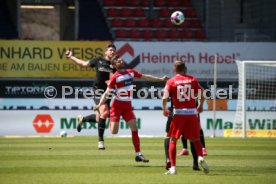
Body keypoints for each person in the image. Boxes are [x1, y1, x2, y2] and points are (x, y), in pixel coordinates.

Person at [94, 55, 168, 162]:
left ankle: (138, 154)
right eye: (117, 60)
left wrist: (160, 79)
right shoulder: (115, 77)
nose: (120, 60)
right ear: (115, 65)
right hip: (117, 105)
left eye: (120, 59)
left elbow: (145, 77)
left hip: (127, 106)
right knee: (114, 131)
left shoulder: (131, 72)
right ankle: (108, 116)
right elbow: (106, 93)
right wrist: (100, 104)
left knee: (134, 128)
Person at [65, 44, 116, 150]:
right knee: (105, 112)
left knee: (100, 118)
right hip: (97, 90)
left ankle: (82, 119)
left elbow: (115, 80)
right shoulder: (98, 60)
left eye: (114, 51)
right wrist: (71, 57)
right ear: (106, 52)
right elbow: (83, 64)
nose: (112, 52)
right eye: (110, 50)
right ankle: (100, 141)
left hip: (108, 92)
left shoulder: (114, 65)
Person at [162, 60, 209, 175]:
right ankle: (200, 157)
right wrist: (201, 105)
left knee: (173, 139)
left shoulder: (171, 81)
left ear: (174, 69)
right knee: (195, 139)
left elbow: (164, 97)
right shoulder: (193, 79)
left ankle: (173, 168)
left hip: (178, 114)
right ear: (185, 69)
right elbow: (203, 94)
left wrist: (165, 108)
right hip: (192, 114)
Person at [164, 97, 201, 171]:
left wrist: (165, 106)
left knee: (169, 136)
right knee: (193, 137)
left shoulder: (172, 84)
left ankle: (169, 160)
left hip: (176, 112)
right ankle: (195, 163)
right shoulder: (193, 84)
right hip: (191, 111)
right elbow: (199, 94)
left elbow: (166, 97)